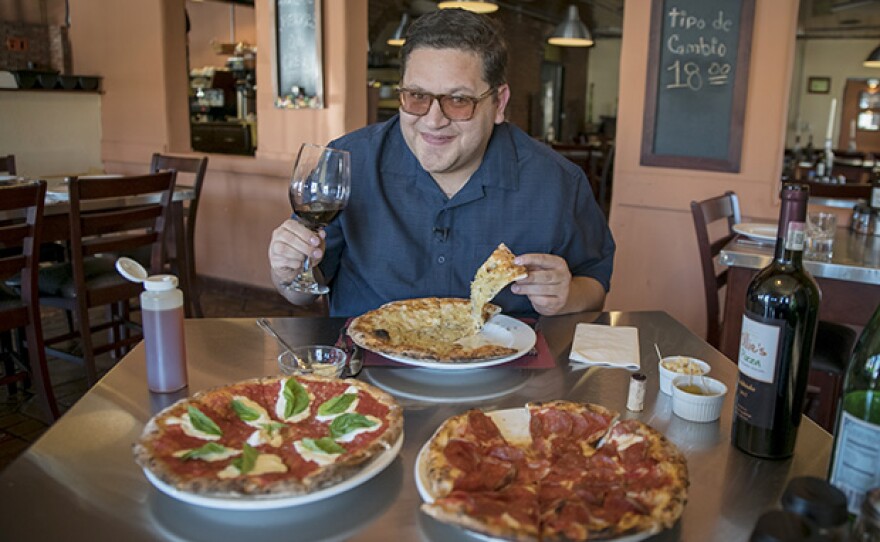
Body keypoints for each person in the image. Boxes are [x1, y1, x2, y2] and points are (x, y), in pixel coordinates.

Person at [269, 8, 615, 318]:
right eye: (417, 96)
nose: (433, 120)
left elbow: (594, 284)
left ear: (498, 103)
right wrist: (287, 273)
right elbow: (303, 292)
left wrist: (566, 296)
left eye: (459, 100)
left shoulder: (556, 182)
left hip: (506, 380)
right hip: (369, 371)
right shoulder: (349, 163)